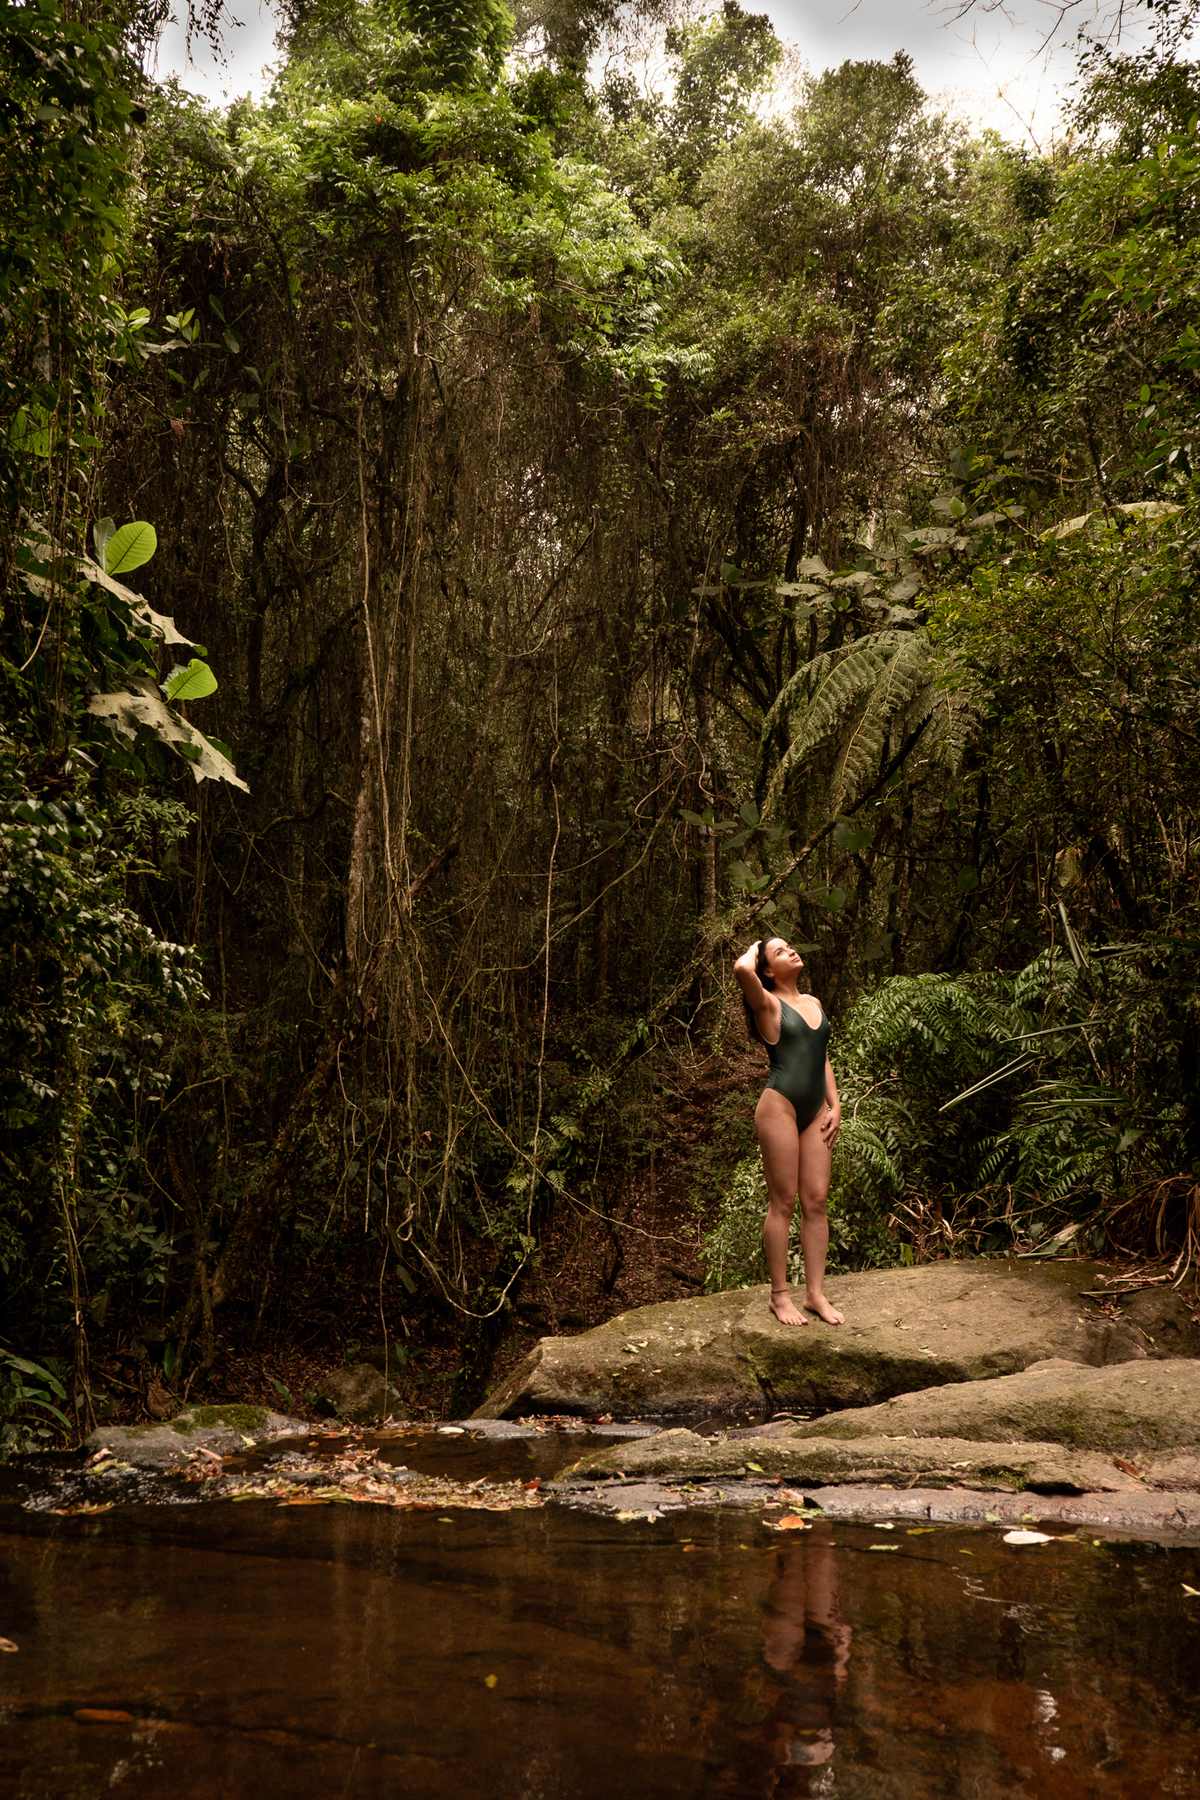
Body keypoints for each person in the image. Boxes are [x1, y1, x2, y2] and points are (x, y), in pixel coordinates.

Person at [734, 937, 844, 1326]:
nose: (792, 951)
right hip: (779, 1107)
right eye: (780, 952)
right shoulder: (767, 1005)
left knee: (816, 1199)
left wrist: (835, 1104)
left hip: (816, 1111)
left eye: (790, 947)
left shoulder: (813, 1002)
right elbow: (742, 970)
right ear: (767, 970)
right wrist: (755, 947)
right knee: (784, 1201)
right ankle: (779, 1295)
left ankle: (814, 1294)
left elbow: (822, 1055)